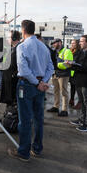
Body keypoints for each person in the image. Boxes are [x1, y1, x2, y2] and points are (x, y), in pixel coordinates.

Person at [8, 20, 54, 162]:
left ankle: (23, 152)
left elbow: (23, 70)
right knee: (38, 118)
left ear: (22, 30)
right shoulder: (44, 47)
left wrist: (36, 83)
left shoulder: (22, 46)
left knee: (25, 119)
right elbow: (50, 67)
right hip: (39, 86)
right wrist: (43, 82)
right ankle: (37, 148)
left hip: (27, 85)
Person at [67, 35, 87, 132]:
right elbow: (77, 63)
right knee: (82, 101)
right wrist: (71, 64)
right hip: (78, 80)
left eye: (81, 41)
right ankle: (82, 120)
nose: (79, 43)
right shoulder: (81, 52)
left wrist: (74, 65)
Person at [47, 38, 73, 117]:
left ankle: (64, 110)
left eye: (55, 43)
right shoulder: (55, 52)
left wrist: (57, 65)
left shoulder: (67, 51)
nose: (53, 45)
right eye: (53, 44)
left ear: (60, 43)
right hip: (56, 74)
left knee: (64, 92)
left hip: (63, 74)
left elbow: (68, 64)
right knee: (56, 91)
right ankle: (56, 106)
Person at [69, 39, 82, 109]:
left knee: (77, 87)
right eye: (72, 43)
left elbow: (78, 61)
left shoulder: (79, 52)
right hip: (71, 70)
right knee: (72, 86)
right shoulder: (70, 51)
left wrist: (72, 61)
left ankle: (79, 102)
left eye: (74, 43)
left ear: (77, 44)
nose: (72, 44)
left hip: (76, 71)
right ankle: (71, 99)